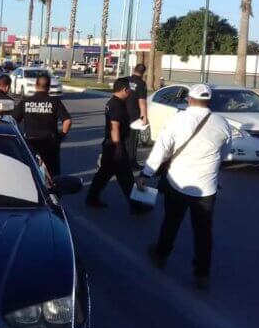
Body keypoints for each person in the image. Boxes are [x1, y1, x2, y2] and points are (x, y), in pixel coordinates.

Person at [138, 84, 231, 289]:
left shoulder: (177, 120)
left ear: (189, 99)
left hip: (177, 182)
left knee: (171, 222)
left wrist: (146, 174)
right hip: (207, 186)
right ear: (209, 100)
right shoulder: (222, 123)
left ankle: (161, 254)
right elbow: (224, 153)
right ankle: (202, 273)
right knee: (204, 231)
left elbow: (161, 150)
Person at [85, 77, 149, 214]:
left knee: (103, 175)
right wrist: (118, 147)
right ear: (125, 90)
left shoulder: (113, 102)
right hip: (115, 145)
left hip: (111, 145)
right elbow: (115, 127)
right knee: (127, 178)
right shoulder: (116, 105)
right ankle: (137, 206)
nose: (131, 93)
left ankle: (91, 198)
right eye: (129, 90)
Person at [21, 75, 71, 176]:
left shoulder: (26, 102)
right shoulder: (55, 102)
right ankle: (53, 190)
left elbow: (13, 120)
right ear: (48, 87)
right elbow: (67, 120)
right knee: (53, 174)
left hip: (31, 143)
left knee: (30, 172)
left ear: (36, 86)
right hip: (50, 143)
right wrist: (62, 135)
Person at [126, 64, 149, 168]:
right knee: (132, 140)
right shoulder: (141, 84)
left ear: (134, 69)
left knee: (120, 138)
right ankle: (131, 162)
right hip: (133, 116)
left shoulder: (124, 80)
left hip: (120, 113)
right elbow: (142, 102)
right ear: (143, 73)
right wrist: (144, 118)